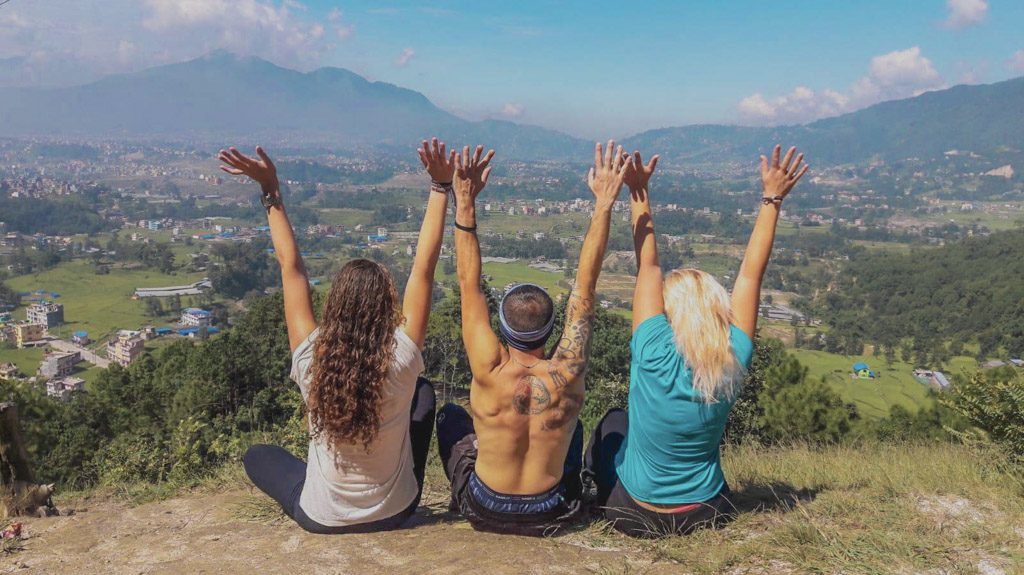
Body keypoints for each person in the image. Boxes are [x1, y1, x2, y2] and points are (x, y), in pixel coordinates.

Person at [220, 139, 456, 534]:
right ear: (386, 307)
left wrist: (270, 189)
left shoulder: (312, 358)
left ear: (335, 305)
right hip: (397, 509)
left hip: (321, 517)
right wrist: (440, 187)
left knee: (257, 456)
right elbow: (423, 269)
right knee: (424, 392)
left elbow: (291, 268)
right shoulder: (400, 357)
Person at [584, 145, 810, 538]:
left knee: (612, 422)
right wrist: (772, 199)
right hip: (704, 514)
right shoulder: (732, 357)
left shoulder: (653, 348)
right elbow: (750, 277)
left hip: (630, 513)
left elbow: (648, 265)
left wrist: (639, 191)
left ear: (671, 312)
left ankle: (587, 491)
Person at [436, 142, 630, 536]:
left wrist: (465, 202)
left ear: (503, 329)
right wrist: (604, 204)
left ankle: (462, 497)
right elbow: (585, 288)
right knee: (571, 426)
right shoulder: (567, 369)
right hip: (551, 508)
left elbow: (468, 284)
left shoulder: (488, 366)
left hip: (485, 506)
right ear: (550, 328)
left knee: (449, 417)